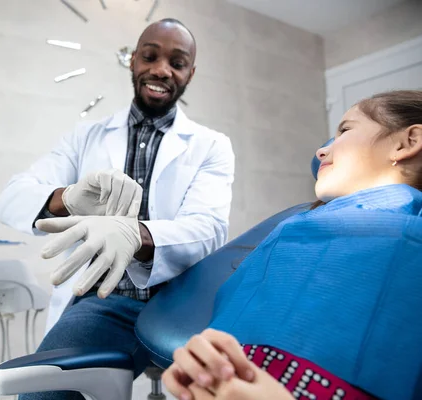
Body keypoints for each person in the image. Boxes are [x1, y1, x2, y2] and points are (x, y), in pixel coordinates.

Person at [0, 18, 235, 399]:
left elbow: (208, 228)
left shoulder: (210, 145)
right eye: (150, 56)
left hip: (176, 303)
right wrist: (67, 197)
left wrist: (136, 234)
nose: (161, 70)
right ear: (132, 61)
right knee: (41, 391)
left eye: (177, 62)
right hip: (105, 304)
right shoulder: (84, 136)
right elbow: (11, 197)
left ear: (191, 72)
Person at [162, 90, 422, 400]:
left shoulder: (411, 240)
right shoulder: (292, 231)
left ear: (407, 142)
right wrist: (203, 364)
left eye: (345, 130)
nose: (321, 150)